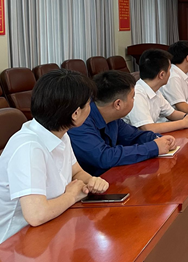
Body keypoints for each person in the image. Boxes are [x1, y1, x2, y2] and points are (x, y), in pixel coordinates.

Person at [0, 69, 109, 243]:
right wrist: (72, 195)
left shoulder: (60, 133)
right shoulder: (28, 148)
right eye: (88, 104)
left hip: (51, 226)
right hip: (14, 242)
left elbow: (76, 172)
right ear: (75, 114)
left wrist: (91, 181)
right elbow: (36, 214)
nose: (91, 108)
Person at [69, 70, 178, 176]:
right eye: (132, 97)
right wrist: (153, 147)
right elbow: (104, 157)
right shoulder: (80, 122)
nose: (134, 100)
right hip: (92, 182)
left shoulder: (112, 117)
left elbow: (133, 136)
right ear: (118, 104)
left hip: (112, 176)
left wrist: (157, 139)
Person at [124, 49, 188, 134]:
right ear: (162, 75)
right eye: (169, 70)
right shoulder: (137, 94)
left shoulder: (155, 91)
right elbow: (147, 128)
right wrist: (184, 123)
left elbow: (171, 113)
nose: (171, 73)